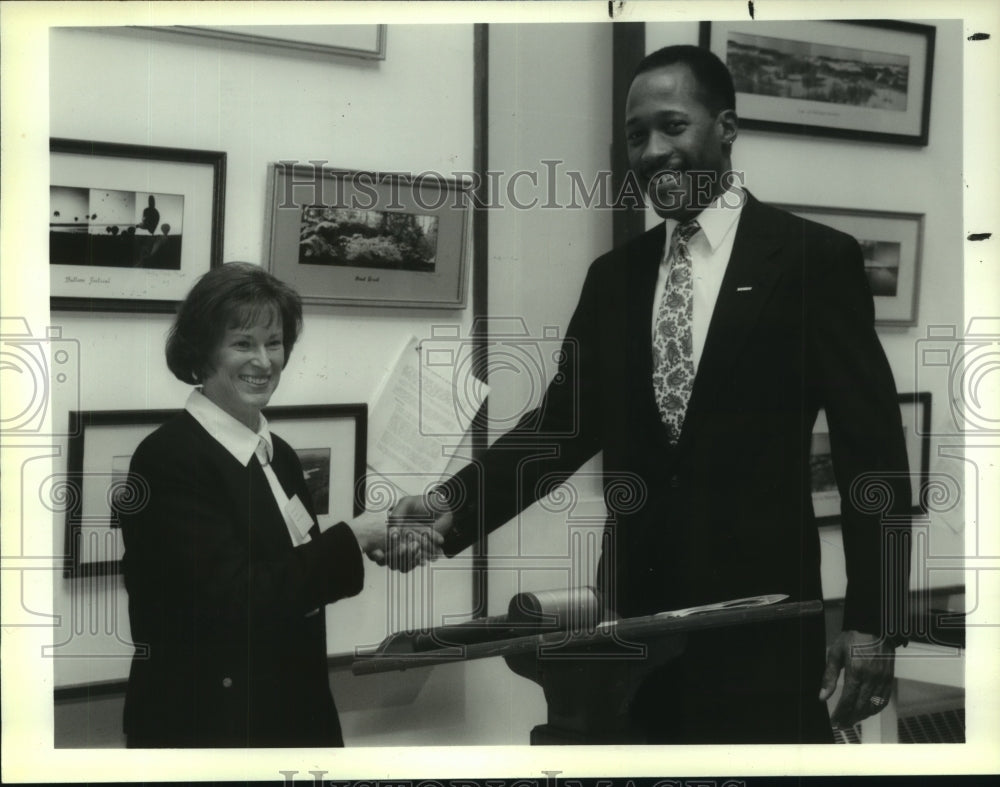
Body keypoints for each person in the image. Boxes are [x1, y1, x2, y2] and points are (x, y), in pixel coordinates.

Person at [391, 45, 911, 743]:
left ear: (725, 127)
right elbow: (559, 431)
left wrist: (876, 625)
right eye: (637, 136)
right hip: (633, 641)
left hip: (762, 632)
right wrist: (447, 508)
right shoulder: (615, 278)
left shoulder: (815, 261)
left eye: (673, 126)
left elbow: (871, 456)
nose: (653, 151)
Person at [117, 262, 437, 747]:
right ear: (202, 350)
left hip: (293, 715)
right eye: (242, 343)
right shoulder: (168, 458)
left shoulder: (279, 454)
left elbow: (294, 575)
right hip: (209, 731)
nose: (263, 361)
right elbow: (236, 601)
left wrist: (380, 539)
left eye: (274, 342)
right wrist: (353, 538)